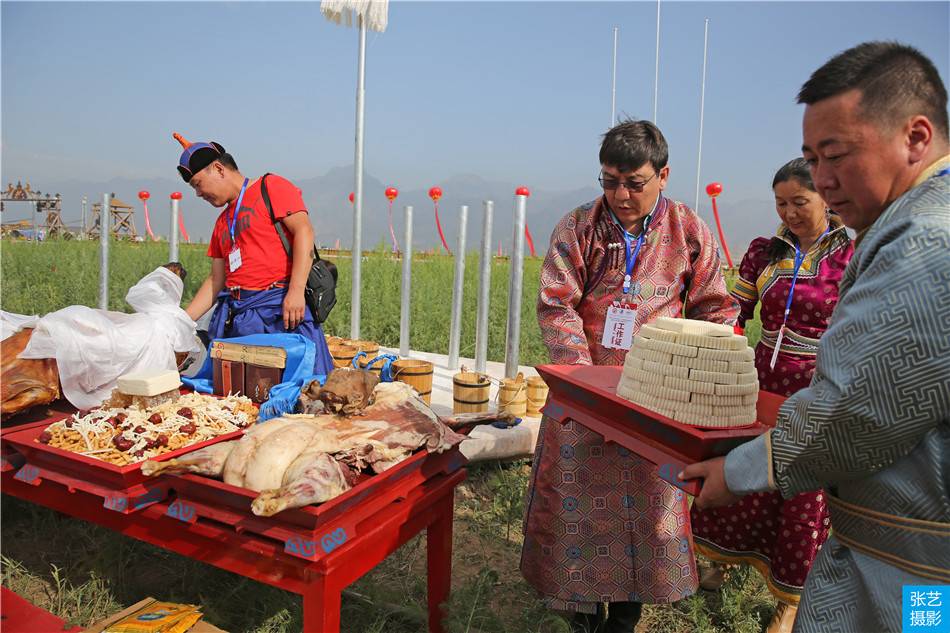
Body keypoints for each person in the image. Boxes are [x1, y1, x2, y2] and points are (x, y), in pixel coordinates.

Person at [681, 41, 950, 633]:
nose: (824, 181)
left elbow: (858, 414)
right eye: (811, 159)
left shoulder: (925, 243)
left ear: (916, 137)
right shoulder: (895, 227)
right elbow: (736, 309)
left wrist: (742, 469)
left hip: (913, 568)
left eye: (836, 156)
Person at [522, 119, 739, 632]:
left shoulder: (688, 230)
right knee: (579, 505)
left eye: (634, 183)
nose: (620, 194)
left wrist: (700, 366)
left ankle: (626, 612)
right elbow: (556, 304)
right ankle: (579, 609)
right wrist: (584, 380)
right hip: (586, 397)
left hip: (658, 398)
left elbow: (716, 307)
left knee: (645, 511)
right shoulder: (578, 226)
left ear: (663, 176)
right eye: (609, 181)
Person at [689, 159, 853, 632]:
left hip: (815, 387)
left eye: (800, 202)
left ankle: (789, 602)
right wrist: (710, 339)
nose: (790, 212)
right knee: (740, 469)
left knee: (800, 491)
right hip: (758, 381)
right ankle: (718, 562)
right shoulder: (766, 251)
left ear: (824, 196)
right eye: (781, 203)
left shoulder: (851, 256)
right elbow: (732, 309)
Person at [173, 133, 333, 375]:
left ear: (218, 169)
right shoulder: (221, 223)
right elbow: (217, 280)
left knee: (300, 396)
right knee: (244, 399)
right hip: (240, 321)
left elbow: (304, 231)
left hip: (280, 312)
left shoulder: (270, 187)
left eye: (197, 184)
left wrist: (296, 291)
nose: (198, 193)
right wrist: (180, 321)